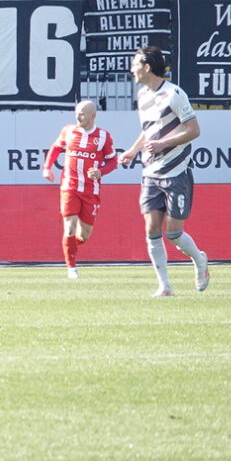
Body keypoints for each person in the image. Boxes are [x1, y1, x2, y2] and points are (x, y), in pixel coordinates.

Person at [119, 46, 209, 297]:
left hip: (176, 171)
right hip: (150, 171)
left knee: (174, 233)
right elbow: (149, 131)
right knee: (151, 229)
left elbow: (194, 130)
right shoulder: (142, 96)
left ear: (147, 67)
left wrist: (162, 144)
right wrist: (133, 150)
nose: (131, 69)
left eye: (135, 64)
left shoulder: (174, 94)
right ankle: (165, 286)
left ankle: (200, 260)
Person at [42, 100, 118, 279]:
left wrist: (100, 171)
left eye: (83, 114)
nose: (78, 116)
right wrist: (47, 167)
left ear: (93, 116)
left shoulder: (103, 137)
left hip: (91, 191)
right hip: (69, 187)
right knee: (69, 228)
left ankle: (70, 248)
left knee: (84, 235)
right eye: (77, 113)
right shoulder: (68, 131)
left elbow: (113, 161)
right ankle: (71, 268)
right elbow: (55, 148)